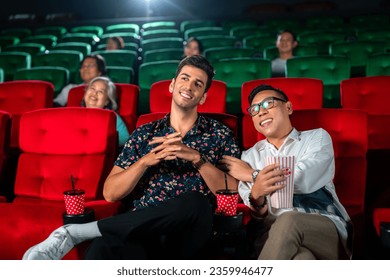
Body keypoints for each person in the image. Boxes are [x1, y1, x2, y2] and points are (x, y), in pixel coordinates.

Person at [22, 55, 241, 260]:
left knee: (196, 202)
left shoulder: (219, 134)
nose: (189, 86)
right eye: (184, 78)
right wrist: (145, 161)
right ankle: (82, 236)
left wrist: (197, 158)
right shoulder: (144, 133)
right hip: (141, 232)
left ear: (203, 97)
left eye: (198, 84)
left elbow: (234, 189)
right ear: (172, 85)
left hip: (190, 233)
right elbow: (110, 193)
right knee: (102, 248)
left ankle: (80, 232)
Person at [220, 84, 352, 260]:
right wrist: (257, 195)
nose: (261, 112)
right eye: (255, 109)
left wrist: (253, 175)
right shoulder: (248, 156)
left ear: (288, 107)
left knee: (289, 220)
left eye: (268, 104)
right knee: (302, 261)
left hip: (324, 230)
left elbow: (301, 180)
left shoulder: (316, 138)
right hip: (273, 235)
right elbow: (257, 214)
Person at [81, 76, 129, 147]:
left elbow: (125, 140)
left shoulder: (112, 117)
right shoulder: (73, 114)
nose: (94, 93)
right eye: (92, 88)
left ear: (107, 101)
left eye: (101, 91)